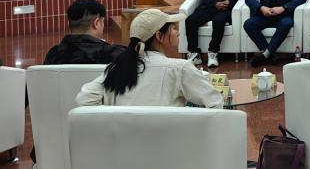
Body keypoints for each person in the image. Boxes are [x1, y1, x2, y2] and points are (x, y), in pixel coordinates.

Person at [76, 8, 223, 108]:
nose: (177, 32)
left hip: (124, 144)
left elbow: (84, 99)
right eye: (173, 28)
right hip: (170, 144)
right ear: (159, 36)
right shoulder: (180, 69)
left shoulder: (117, 68)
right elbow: (215, 103)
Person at [44, 0, 125, 65]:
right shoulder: (116, 53)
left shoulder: (54, 54)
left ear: (69, 24)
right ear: (96, 23)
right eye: (102, 21)